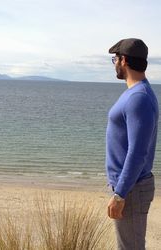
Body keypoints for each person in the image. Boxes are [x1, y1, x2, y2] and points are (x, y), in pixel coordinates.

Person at [106, 38, 159, 250]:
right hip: (129, 187)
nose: (114, 64)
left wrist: (120, 194)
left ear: (124, 60)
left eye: (114, 59)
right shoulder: (136, 93)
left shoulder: (140, 98)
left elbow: (138, 153)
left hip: (131, 190)